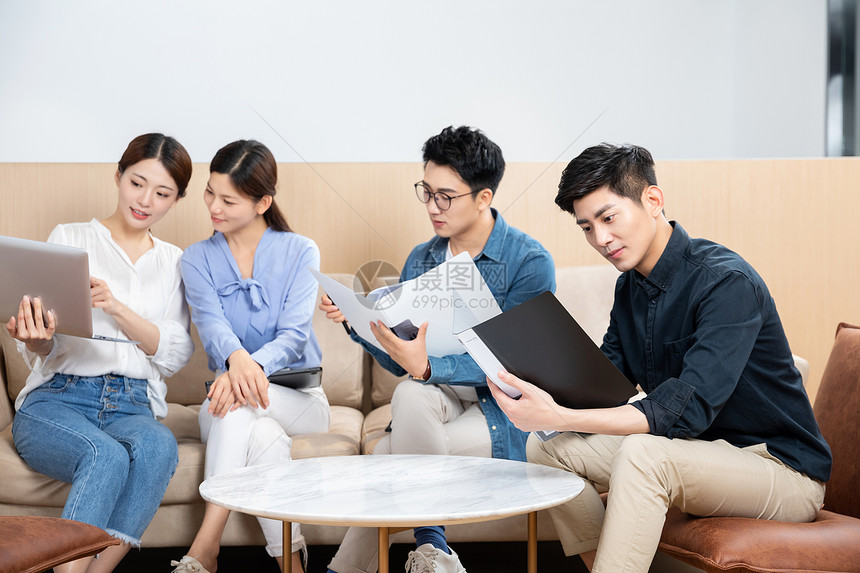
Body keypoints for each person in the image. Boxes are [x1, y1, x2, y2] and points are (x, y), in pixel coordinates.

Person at [488, 143, 833, 573]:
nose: (601, 239)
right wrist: (525, 380)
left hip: (780, 469)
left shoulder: (726, 282)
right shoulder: (630, 287)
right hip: (701, 454)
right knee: (547, 450)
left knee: (643, 454)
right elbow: (605, 383)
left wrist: (559, 414)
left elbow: (682, 411)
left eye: (609, 217)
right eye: (587, 228)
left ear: (653, 200)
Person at [319, 126, 556, 573]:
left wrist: (427, 366)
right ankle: (435, 552)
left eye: (445, 196)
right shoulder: (422, 258)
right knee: (410, 392)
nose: (432, 207)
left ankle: (391, 559)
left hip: (503, 410)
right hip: (435, 401)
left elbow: (516, 366)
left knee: (388, 459)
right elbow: (404, 363)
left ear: (483, 198)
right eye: (426, 192)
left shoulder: (528, 262)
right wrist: (359, 325)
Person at [6, 133, 195, 573]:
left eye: (162, 193)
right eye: (137, 183)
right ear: (118, 176)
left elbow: (174, 352)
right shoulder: (71, 237)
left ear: (176, 200)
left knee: (158, 448)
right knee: (105, 454)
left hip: (132, 404)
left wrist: (116, 308)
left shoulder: (173, 261)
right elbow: (40, 346)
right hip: (58, 398)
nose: (145, 199)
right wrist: (34, 336)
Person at [173, 140, 330, 573]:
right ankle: (292, 563)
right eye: (210, 193)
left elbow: (295, 336)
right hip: (228, 401)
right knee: (259, 435)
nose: (213, 207)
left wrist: (249, 366)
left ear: (263, 202)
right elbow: (212, 326)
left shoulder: (301, 250)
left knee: (237, 397)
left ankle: (205, 547)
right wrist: (238, 361)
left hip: (299, 398)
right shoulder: (196, 258)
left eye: (228, 199)